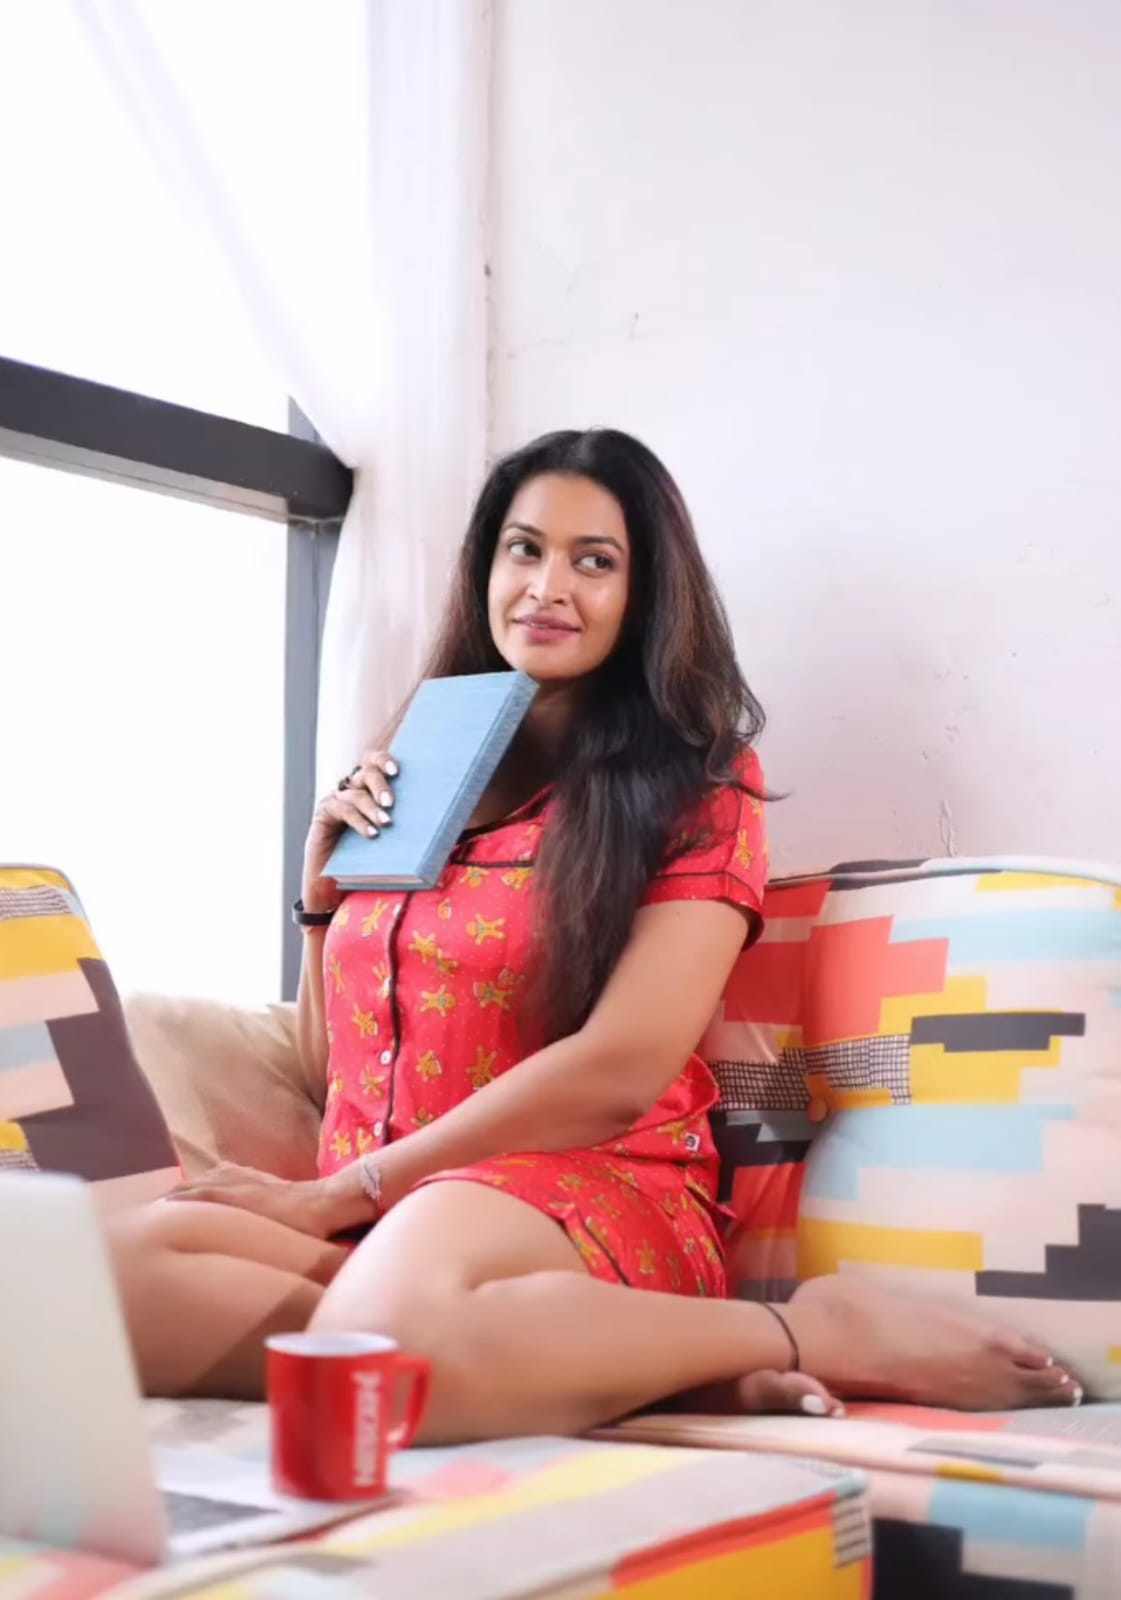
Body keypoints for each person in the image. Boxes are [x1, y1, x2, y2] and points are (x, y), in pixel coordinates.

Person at [106, 429, 1082, 1441]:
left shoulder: (697, 786)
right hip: (387, 1222)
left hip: (580, 1190)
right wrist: (320, 899)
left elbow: (625, 1066)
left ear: (643, 593)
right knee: (112, 1275)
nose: (547, 587)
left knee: (381, 1337)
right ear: (485, 569)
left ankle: (799, 1331)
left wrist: (340, 1195)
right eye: (524, 549)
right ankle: (602, 1359)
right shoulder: (414, 768)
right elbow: (337, 1071)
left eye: (594, 561)